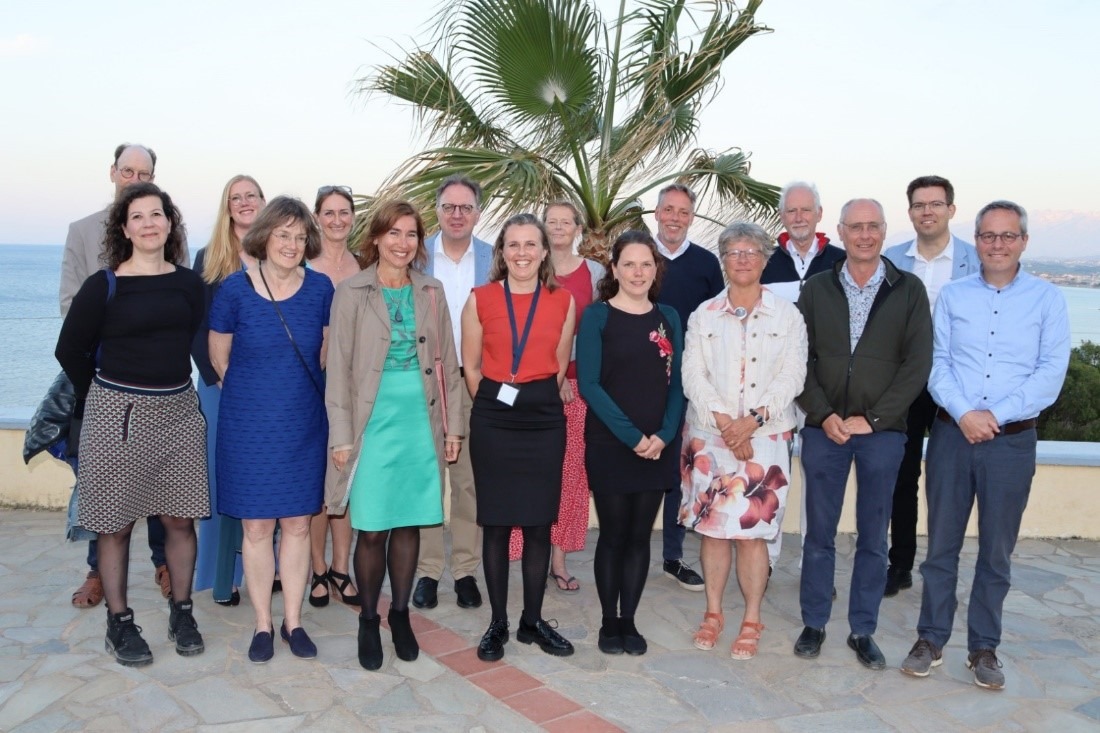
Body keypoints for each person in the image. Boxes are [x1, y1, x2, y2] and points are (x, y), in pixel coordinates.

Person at [900, 201, 1070, 690]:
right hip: (953, 437)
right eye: (988, 235)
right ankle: (930, 638)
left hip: (1012, 444)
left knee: (996, 552)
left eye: (1007, 236)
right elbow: (936, 363)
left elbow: (1050, 374)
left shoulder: (1047, 300)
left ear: (1023, 242)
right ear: (975, 241)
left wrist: (994, 417)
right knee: (941, 549)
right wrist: (964, 414)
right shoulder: (953, 296)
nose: (998, 244)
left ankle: (983, 648)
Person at [55, 182, 208, 666]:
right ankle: (119, 624)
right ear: (124, 228)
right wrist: (98, 396)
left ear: (170, 223)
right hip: (117, 416)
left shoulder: (188, 284)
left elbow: (203, 346)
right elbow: (69, 350)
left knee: (180, 520)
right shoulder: (104, 285)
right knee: (115, 525)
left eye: (157, 214)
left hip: (179, 412)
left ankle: (182, 612)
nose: (148, 223)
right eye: (138, 216)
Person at [793, 198, 931, 670]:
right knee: (819, 535)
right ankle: (814, 622)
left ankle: (862, 629)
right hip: (823, 430)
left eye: (873, 226)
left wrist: (872, 420)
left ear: (884, 230)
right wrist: (824, 413)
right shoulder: (816, 288)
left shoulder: (908, 289)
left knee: (874, 537)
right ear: (842, 231)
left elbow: (917, 366)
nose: (865, 234)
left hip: (883, 434)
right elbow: (799, 360)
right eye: (856, 227)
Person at [325, 200, 463, 671]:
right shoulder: (351, 291)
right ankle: (368, 617)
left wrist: (453, 428)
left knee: (408, 523)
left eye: (411, 235)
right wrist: (342, 436)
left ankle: (399, 614)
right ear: (377, 238)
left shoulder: (432, 291)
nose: (403, 243)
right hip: (372, 422)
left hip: (419, 420)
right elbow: (338, 370)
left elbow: (447, 364)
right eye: (394, 234)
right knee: (372, 526)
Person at [61, 143, 189, 608]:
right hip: (105, 381)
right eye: (128, 170)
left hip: (162, 391)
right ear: (113, 172)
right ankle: (98, 571)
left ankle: (163, 564)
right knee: (102, 485)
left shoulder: (167, 231)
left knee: (164, 487)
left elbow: (181, 306)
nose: (135, 177)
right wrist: (98, 380)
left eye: (145, 171)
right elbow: (69, 305)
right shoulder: (82, 231)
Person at [209, 197, 333, 664]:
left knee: (299, 524)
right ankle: (263, 623)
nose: (292, 244)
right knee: (257, 526)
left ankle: (293, 621)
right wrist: (254, 395)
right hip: (248, 426)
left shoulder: (321, 289)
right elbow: (219, 357)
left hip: (302, 423)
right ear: (263, 236)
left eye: (301, 237)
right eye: (283, 234)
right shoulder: (233, 291)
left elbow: (324, 354)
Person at [681, 222, 807, 660]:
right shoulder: (703, 314)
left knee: (754, 533)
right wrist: (725, 423)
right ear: (723, 259)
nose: (743, 259)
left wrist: (752, 420)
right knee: (714, 531)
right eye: (734, 252)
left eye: (752, 251)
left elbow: (793, 374)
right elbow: (692, 374)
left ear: (765, 258)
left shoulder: (787, 315)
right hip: (711, 438)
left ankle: (752, 616)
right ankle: (713, 613)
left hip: (765, 438)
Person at [461, 213, 577, 662]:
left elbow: (559, 360)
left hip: (545, 417)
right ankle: (498, 623)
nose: (523, 253)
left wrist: (529, 399)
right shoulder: (481, 298)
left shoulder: (563, 301)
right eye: (514, 245)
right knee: (495, 522)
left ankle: (532, 620)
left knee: (537, 523)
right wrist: (491, 405)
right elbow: (471, 364)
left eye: (532, 245)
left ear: (545, 251)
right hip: (494, 416)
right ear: (502, 253)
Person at [576, 230, 683, 655]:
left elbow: (677, 384)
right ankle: (608, 621)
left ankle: (629, 621)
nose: (638, 272)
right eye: (629, 264)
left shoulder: (669, 317)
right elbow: (590, 384)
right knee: (614, 536)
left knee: (641, 538)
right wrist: (633, 436)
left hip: (657, 447)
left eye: (646, 264)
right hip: (611, 443)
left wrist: (663, 435)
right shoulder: (597, 316)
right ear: (614, 269)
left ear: (655, 269)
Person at [881, 175, 980, 598]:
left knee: (950, 478)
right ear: (910, 213)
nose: (927, 211)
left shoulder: (976, 261)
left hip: (958, 385)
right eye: (919, 205)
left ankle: (943, 566)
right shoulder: (891, 259)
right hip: (905, 381)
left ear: (951, 210)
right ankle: (899, 564)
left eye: (935, 204)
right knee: (902, 475)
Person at [508, 201, 605, 592]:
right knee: (529, 470)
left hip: (578, 388)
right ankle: (522, 551)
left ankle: (559, 559)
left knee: (571, 475)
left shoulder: (595, 272)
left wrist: (571, 374)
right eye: (552, 222)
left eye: (567, 221)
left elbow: (600, 331)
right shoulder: (530, 268)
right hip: (534, 385)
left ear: (578, 228)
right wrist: (552, 374)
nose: (560, 227)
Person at [413, 176, 493, 611]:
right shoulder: (418, 255)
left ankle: (464, 570)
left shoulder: (495, 258)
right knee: (430, 478)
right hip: (428, 380)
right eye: (449, 207)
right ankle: (428, 571)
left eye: (465, 207)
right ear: (437, 210)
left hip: (476, 381)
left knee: (468, 483)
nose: (457, 214)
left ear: (478, 213)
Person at [759, 181, 846, 574]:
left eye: (805, 210)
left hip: (822, 387)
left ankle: (814, 564)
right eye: (791, 211)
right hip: (774, 385)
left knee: (819, 479)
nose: (798, 218)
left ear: (818, 214)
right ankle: (768, 559)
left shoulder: (841, 262)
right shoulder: (765, 261)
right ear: (782, 216)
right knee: (774, 474)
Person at [192, 174, 266, 607]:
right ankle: (224, 578)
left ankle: (267, 569)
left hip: (270, 390)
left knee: (267, 483)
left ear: (263, 201)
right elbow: (196, 327)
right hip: (220, 389)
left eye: (251, 196)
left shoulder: (280, 251)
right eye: (235, 198)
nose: (244, 203)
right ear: (227, 207)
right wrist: (216, 375)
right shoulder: (209, 258)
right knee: (223, 483)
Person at [653, 183, 724, 592]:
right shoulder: (638, 257)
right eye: (668, 210)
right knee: (642, 465)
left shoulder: (705, 264)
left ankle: (673, 556)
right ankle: (627, 549)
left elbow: (719, 321)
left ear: (691, 217)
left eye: (682, 211)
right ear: (657, 214)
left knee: (680, 472)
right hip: (640, 383)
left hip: (690, 385)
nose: (675, 217)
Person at [306, 184, 362, 609]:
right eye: (329, 212)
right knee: (317, 485)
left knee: (347, 483)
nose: (337, 219)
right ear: (317, 217)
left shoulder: (364, 268)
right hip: (312, 386)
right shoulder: (305, 265)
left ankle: (342, 567)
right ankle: (317, 568)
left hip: (356, 390)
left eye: (344, 212)